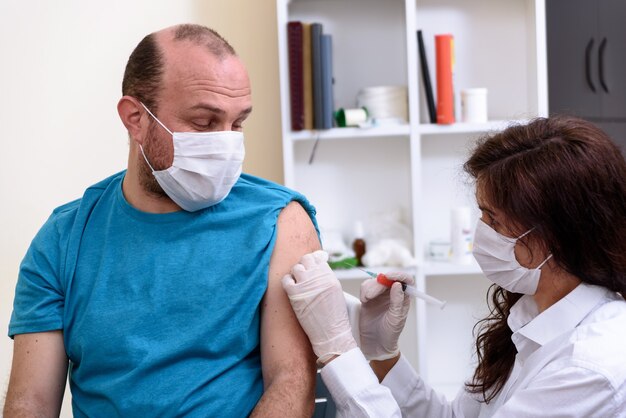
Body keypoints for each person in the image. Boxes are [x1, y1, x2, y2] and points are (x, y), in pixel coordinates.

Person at [4, 24, 321, 417]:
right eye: (205, 123)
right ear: (135, 118)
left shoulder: (280, 224)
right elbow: (30, 403)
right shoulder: (63, 240)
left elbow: (292, 382)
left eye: (237, 124)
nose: (226, 143)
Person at [282, 116, 626, 417]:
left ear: (557, 236)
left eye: (494, 220)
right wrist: (383, 356)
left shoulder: (590, 365)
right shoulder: (531, 315)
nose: (482, 232)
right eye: (481, 214)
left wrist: (339, 350)